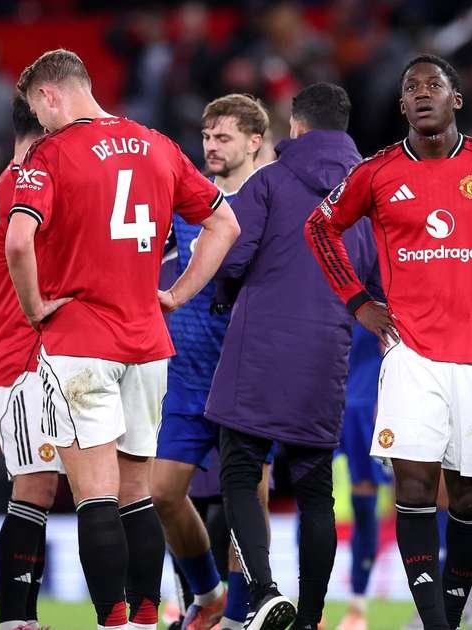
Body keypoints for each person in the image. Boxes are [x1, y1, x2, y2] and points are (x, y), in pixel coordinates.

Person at [306, 54, 472, 630]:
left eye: (434, 85)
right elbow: (320, 226)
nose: (422, 93)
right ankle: (434, 622)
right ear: (402, 105)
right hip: (411, 357)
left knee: (470, 499)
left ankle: (448, 614)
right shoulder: (377, 172)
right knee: (414, 486)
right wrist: (358, 301)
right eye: (411, 87)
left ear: (457, 99)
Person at [7, 49, 240, 630]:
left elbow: (17, 241)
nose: (40, 121)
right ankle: (143, 620)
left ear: (49, 95)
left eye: (38, 108)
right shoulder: (158, 144)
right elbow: (224, 223)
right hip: (147, 343)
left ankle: (112, 622)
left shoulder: (50, 154)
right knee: (137, 491)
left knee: (96, 495)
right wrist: (178, 294)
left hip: (81, 341)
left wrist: (34, 307)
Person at [205, 82, 375, 630]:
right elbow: (376, 278)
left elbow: (232, 257)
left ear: (296, 126)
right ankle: (311, 618)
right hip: (326, 355)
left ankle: (262, 590)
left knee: (239, 472)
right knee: (316, 493)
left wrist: (224, 294)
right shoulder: (369, 195)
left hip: (258, 350)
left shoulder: (270, 182)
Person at [151, 93, 272, 630]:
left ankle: (241, 614)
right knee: (162, 492)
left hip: (245, 376)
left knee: (251, 496)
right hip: (184, 376)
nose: (211, 147)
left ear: (254, 141)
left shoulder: (270, 203)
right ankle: (210, 594)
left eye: (223, 137)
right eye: (206, 137)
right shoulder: (185, 203)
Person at [0, 94, 55, 630]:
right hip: (20, 355)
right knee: (32, 488)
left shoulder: (6, 182)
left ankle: (23, 620)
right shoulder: (24, 183)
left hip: (18, 352)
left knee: (40, 487)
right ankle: (14, 621)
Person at [336, 321, 386, 630]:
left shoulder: (382, 291)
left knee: (365, 500)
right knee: (310, 495)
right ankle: (311, 603)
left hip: (366, 399)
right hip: (322, 392)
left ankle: (357, 605)